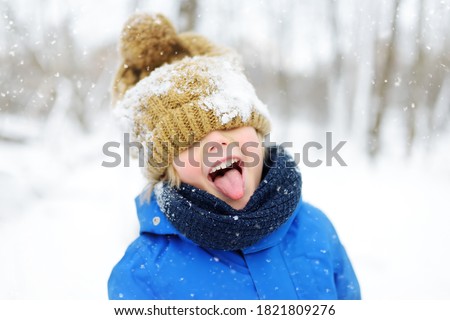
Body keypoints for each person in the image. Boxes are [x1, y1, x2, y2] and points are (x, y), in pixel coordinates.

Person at [108, 13, 360, 300]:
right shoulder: (143, 274)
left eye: (228, 121)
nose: (215, 140)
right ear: (166, 171)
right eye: (188, 140)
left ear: (257, 132)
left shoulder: (315, 229)